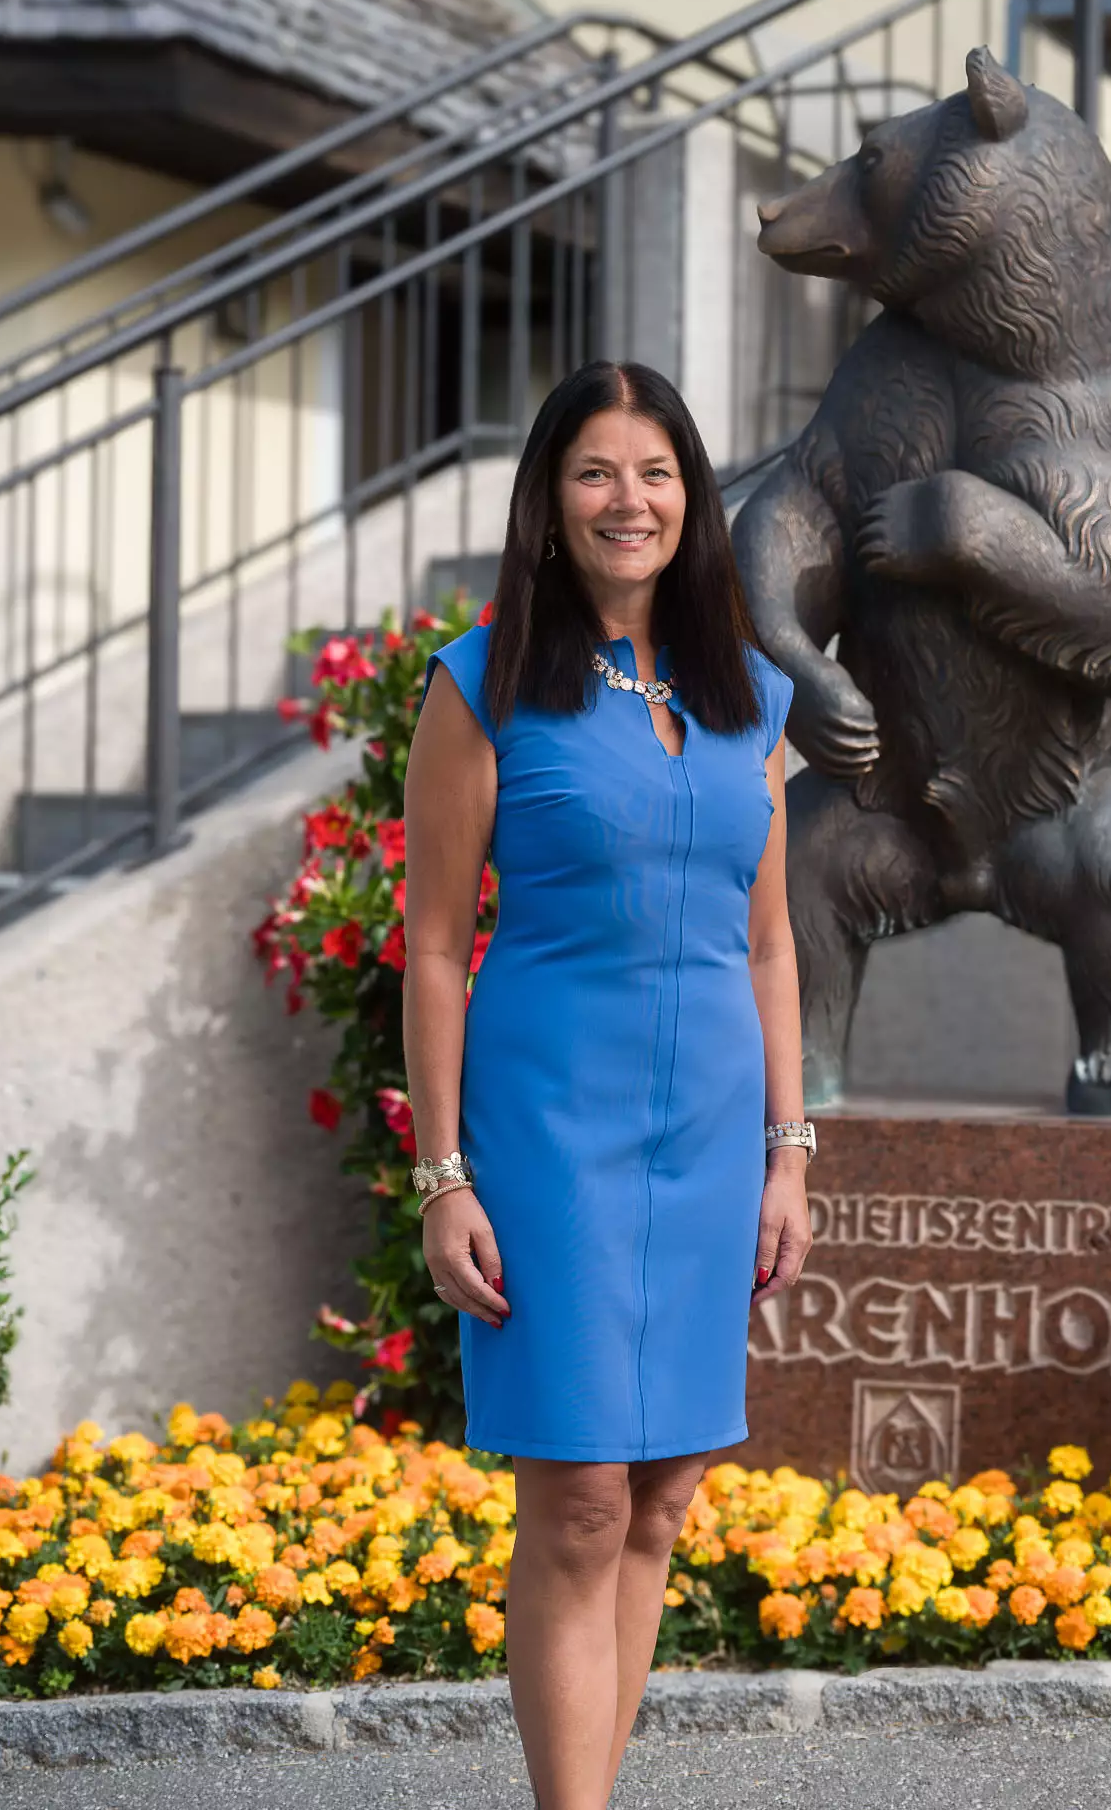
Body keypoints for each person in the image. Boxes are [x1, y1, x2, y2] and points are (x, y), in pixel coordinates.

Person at [402, 359, 812, 1810]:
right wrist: (443, 1175)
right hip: (549, 1132)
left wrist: (788, 1152)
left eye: (654, 473)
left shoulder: (751, 696)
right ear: (550, 501)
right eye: (594, 472)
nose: (626, 499)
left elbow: (768, 945)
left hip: (707, 1135)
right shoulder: (484, 680)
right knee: (576, 1498)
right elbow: (439, 945)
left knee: (663, 1496)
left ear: (693, 500)